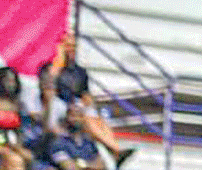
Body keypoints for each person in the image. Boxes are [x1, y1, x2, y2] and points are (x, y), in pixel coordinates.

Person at [44, 36, 134, 168]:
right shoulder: (54, 69)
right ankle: (114, 149)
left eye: (73, 47)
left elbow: (85, 92)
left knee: (96, 116)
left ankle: (114, 147)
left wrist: (87, 99)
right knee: (86, 118)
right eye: (68, 47)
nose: (71, 50)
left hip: (77, 105)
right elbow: (50, 89)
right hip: (62, 106)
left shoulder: (80, 71)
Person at [49, 105, 102, 170]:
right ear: (66, 119)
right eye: (72, 116)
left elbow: (100, 164)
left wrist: (83, 165)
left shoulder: (89, 142)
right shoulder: (59, 142)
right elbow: (68, 166)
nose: (76, 119)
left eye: (79, 116)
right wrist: (90, 165)